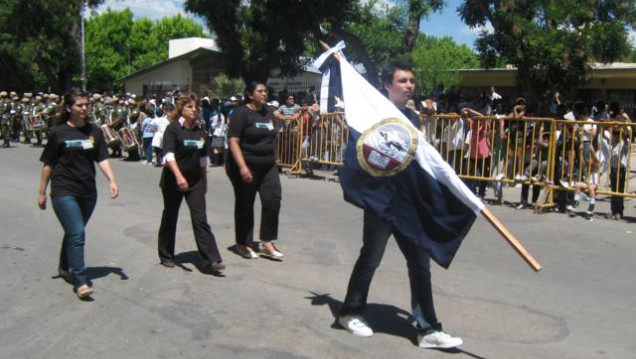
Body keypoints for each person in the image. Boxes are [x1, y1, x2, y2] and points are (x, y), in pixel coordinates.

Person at [338, 61, 463, 349]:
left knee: (420, 263)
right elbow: (361, 152)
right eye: (403, 81)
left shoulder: (413, 118)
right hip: (382, 203)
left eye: (411, 81)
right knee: (371, 258)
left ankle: (428, 328)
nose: (410, 86)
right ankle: (350, 312)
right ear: (387, 86)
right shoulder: (373, 114)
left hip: (407, 206)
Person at [37, 90, 119, 299]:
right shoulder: (58, 132)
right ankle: (80, 280)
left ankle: (65, 266)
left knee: (75, 231)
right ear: (68, 108)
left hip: (88, 191)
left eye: (87, 104)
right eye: (80, 105)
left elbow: (101, 158)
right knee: (77, 233)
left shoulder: (95, 131)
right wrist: (42, 192)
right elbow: (49, 164)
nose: (84, 108)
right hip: (64, 190)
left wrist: (112, 180)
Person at [157, 93, 225, 273]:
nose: (194, 110)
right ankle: (166, 255)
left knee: (200, 218)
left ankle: (211, 259)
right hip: (173, 181)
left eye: (196, 108)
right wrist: (179, 177)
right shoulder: (173, 129)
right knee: (170, 216)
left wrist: (205, 180)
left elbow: (203, 158)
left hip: (195, 182)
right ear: (182, 109)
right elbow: (169, 155)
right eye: (190, 107)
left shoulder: (200, 131)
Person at [226, 82, 284, 261]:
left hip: (267, 165)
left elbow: (273, 134)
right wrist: (242, 166)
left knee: (273, 199)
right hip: (244, 165)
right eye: (260, 91)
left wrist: (275, 156)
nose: (264, 94)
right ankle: (243, 243)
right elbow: (233, 141)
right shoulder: (241, 113)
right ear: (250, 95)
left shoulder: (268, 112)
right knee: (245, 204)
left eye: (265, 91)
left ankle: (267, 241)